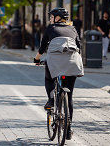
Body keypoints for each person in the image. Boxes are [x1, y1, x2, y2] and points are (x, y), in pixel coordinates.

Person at [33, 8, 83, 141]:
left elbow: (42, 47)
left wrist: (36, 59)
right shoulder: (72, 29)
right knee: (70, 96)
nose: (50, 19)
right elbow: (79, 46)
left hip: (54, 62)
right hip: (72, 62)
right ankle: (68, 129)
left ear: (58, 18)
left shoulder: (51, 28)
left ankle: (51, 100)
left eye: (52, 17)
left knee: (49, 78)